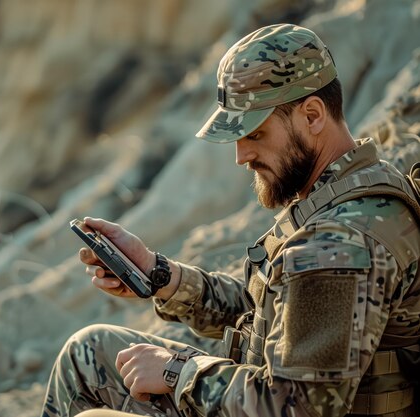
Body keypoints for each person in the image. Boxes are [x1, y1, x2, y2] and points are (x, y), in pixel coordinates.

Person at [40, 24, 420, 417]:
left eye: (255, 133)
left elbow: (295, 408)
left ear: (312, 115)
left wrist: (178, 371)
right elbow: (275, 313)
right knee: (89, 355)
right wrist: (159, 276)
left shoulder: (338, 243)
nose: (241, 156)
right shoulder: (361, 188)